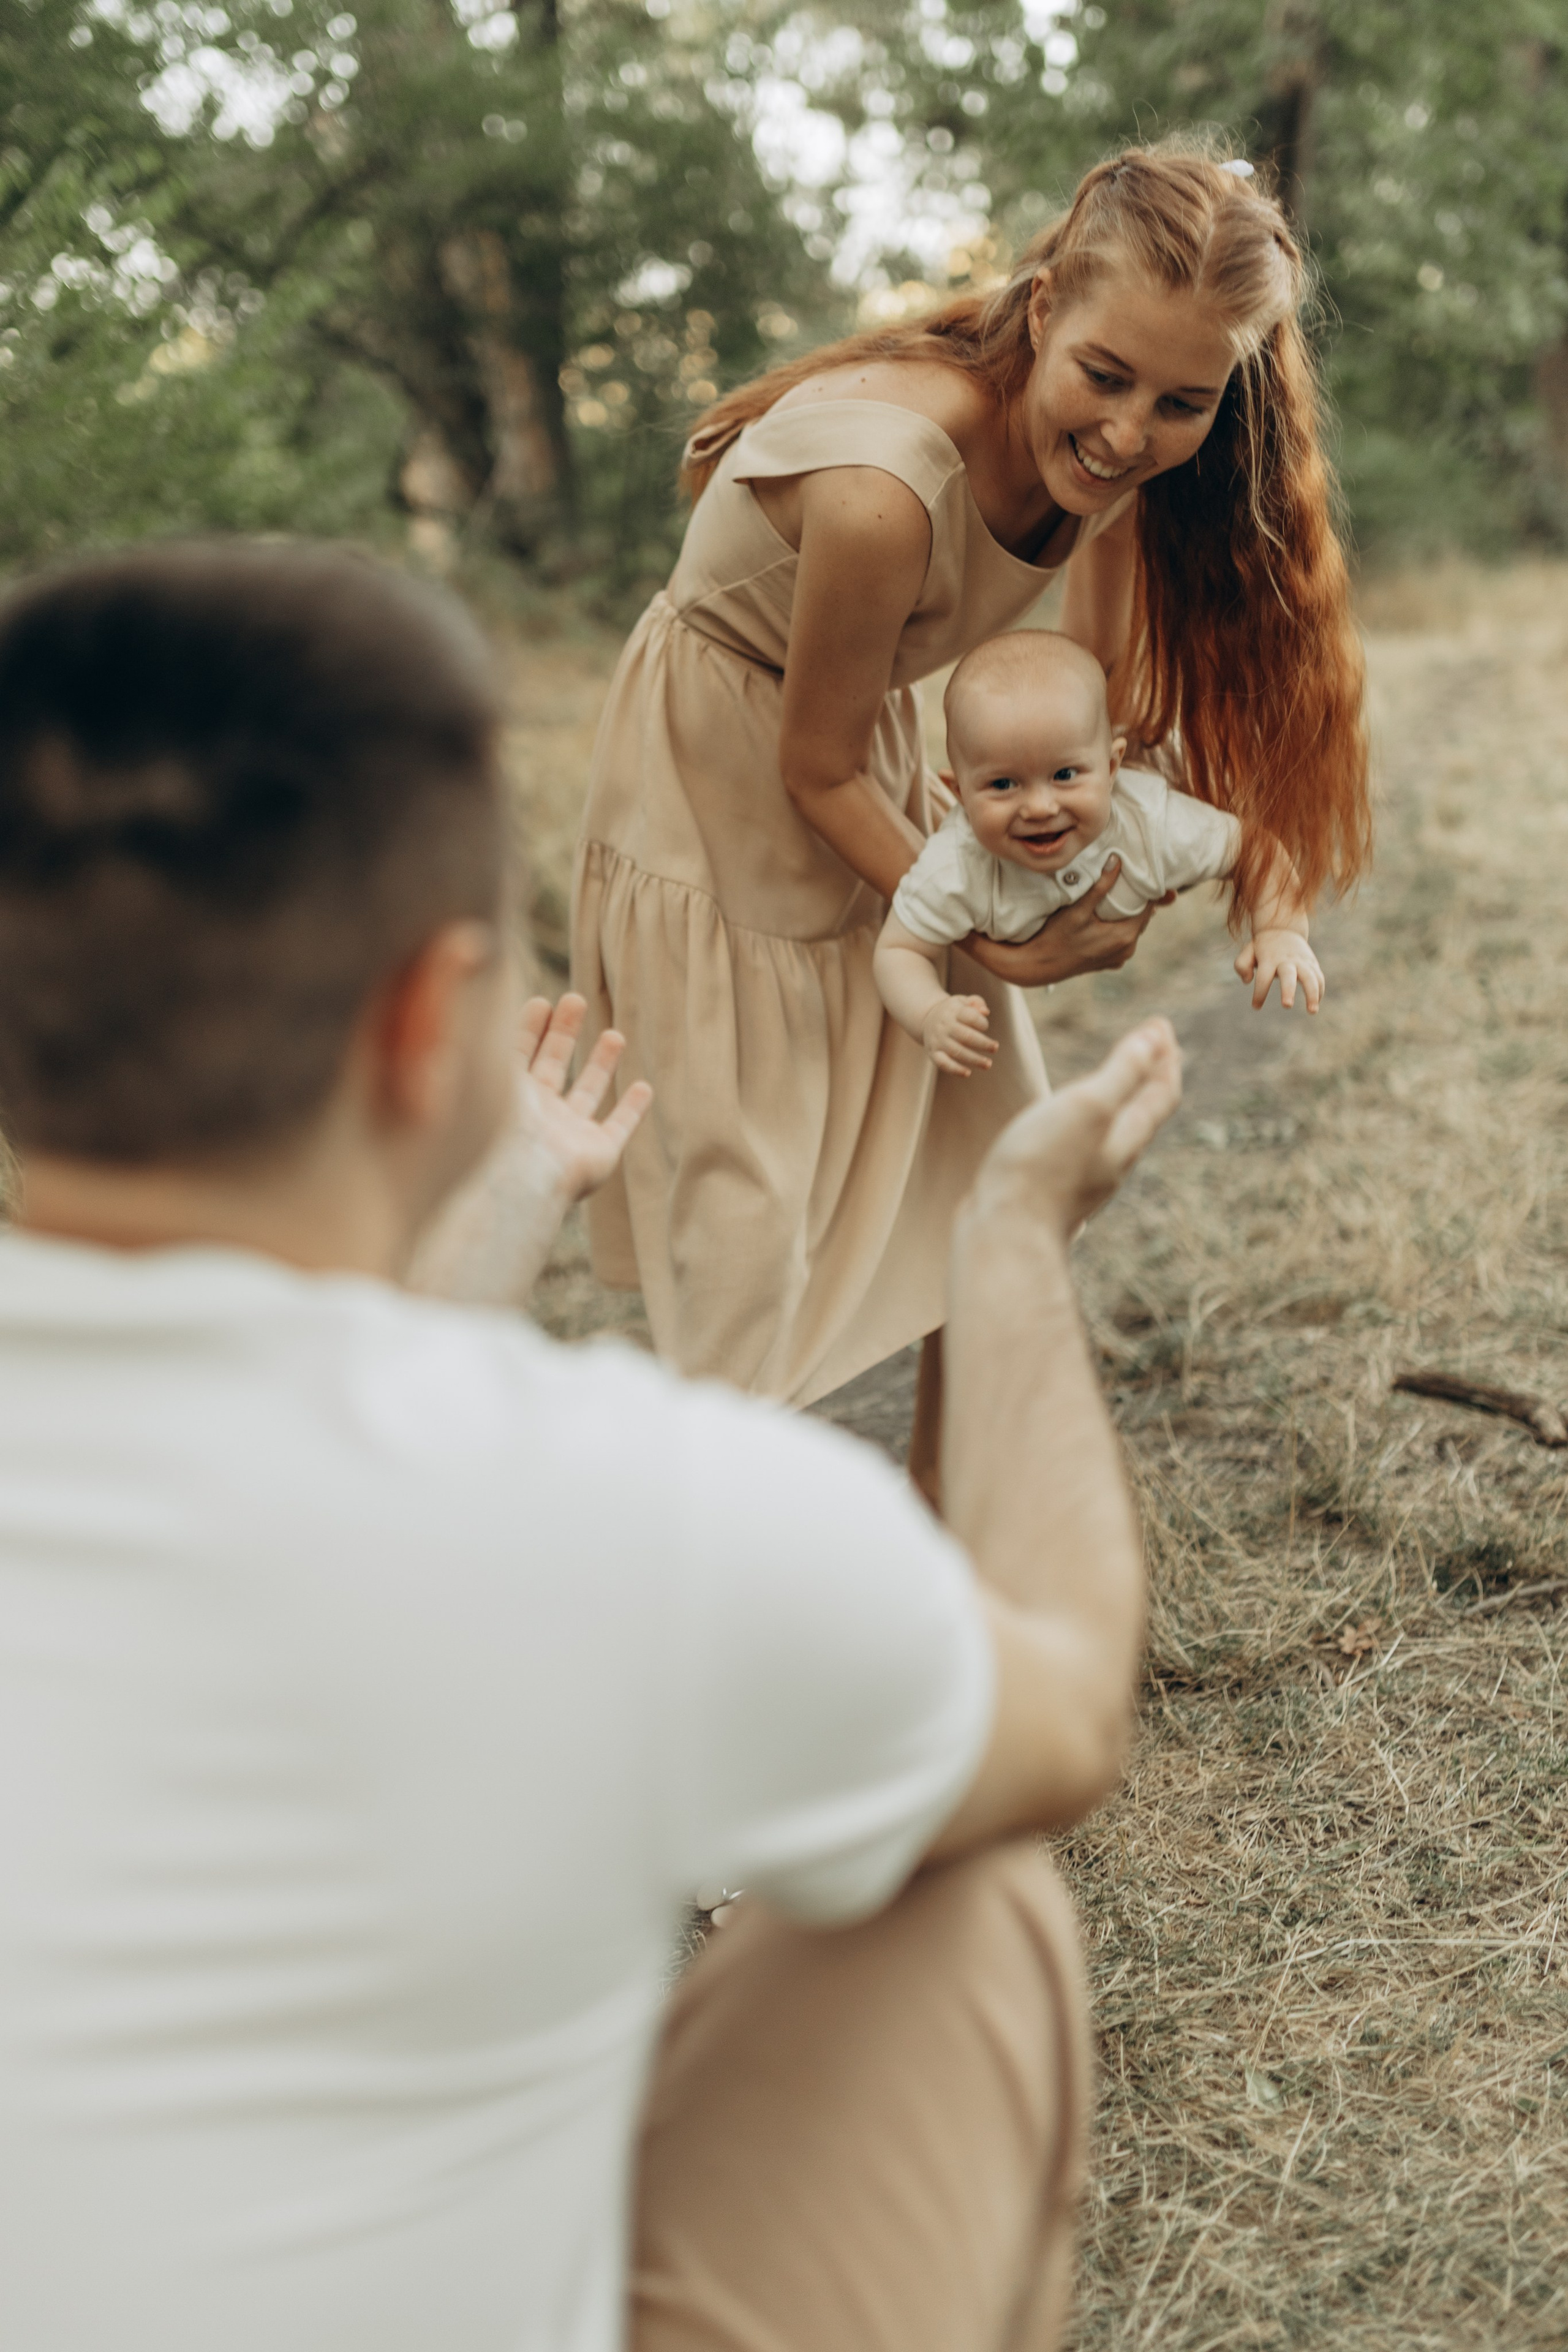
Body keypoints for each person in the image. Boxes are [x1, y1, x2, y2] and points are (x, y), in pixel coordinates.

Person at [0, 539, 1181, 2352]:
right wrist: (1006, 1247)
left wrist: (499, 1216)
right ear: (421, 1018)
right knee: (962, 1898)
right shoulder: (613, 1513)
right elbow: (1061, 1704)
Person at [570, 140, 1370, 1476]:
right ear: (1044, 305)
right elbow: (808, 766)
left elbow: (1095, 699)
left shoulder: (1110, 471)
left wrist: (1119, 854)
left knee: (990, 1141)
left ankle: (955, 1505)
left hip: (869, 749)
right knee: (749, 1200)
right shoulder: (885, 492)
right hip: (722, 764)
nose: (1127, 433)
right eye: (1103, 378)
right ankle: (707, 1552)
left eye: (1182, 403)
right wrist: (987, 935)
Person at [876, 630, 1322, 1078]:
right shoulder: (956, 864)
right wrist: (930, 1013)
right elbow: (899, 950)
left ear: (1111, 769)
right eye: (1003, 785)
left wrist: (1281, 928)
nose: (1039, 807)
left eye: (1065, 774)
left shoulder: (1150, 821)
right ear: (958, 792)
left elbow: (1253, 848)